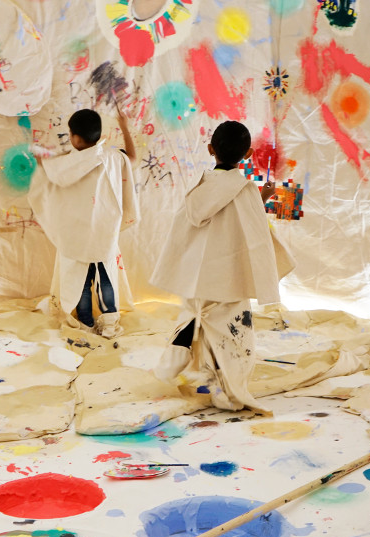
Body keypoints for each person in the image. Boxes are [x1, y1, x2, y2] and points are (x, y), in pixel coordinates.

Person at [150, 120, 294, 413]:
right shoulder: (246, 190)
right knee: (233, 338)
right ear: (248, 154)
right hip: (229, 279)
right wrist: (261, 197)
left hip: (198, 278)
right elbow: (255, 235)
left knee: (194, 321)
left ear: (210, 149)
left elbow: (186, 228)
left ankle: (179, 364)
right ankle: (228, 390)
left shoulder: (199, 188)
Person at [29, 106, 138, 338]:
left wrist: (40, 157)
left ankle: (86, 322)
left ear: (75, 137)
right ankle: (109, 322)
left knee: (81, 281)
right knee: (106, 277)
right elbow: (133, 159)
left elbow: (50, 171)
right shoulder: (113, 157)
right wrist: (125, 128)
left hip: (76, 236)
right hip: (104, 233)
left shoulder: (67, 163)